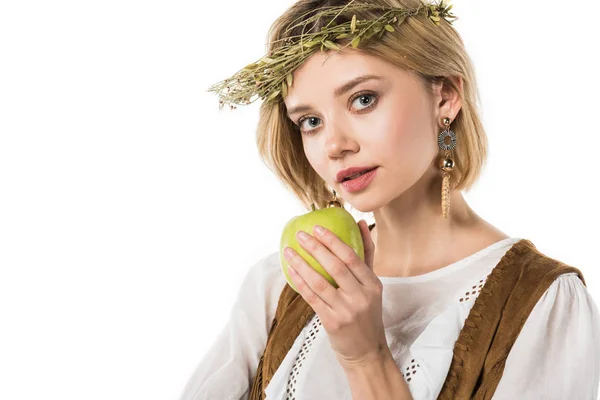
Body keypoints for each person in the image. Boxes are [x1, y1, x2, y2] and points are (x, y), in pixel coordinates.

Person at [180, 0, 600, 399]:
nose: (334, 145)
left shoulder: (541, 302)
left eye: (363, 100)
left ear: (445, 97)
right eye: (310, 121)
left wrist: (365, 357)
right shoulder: (281, 283)